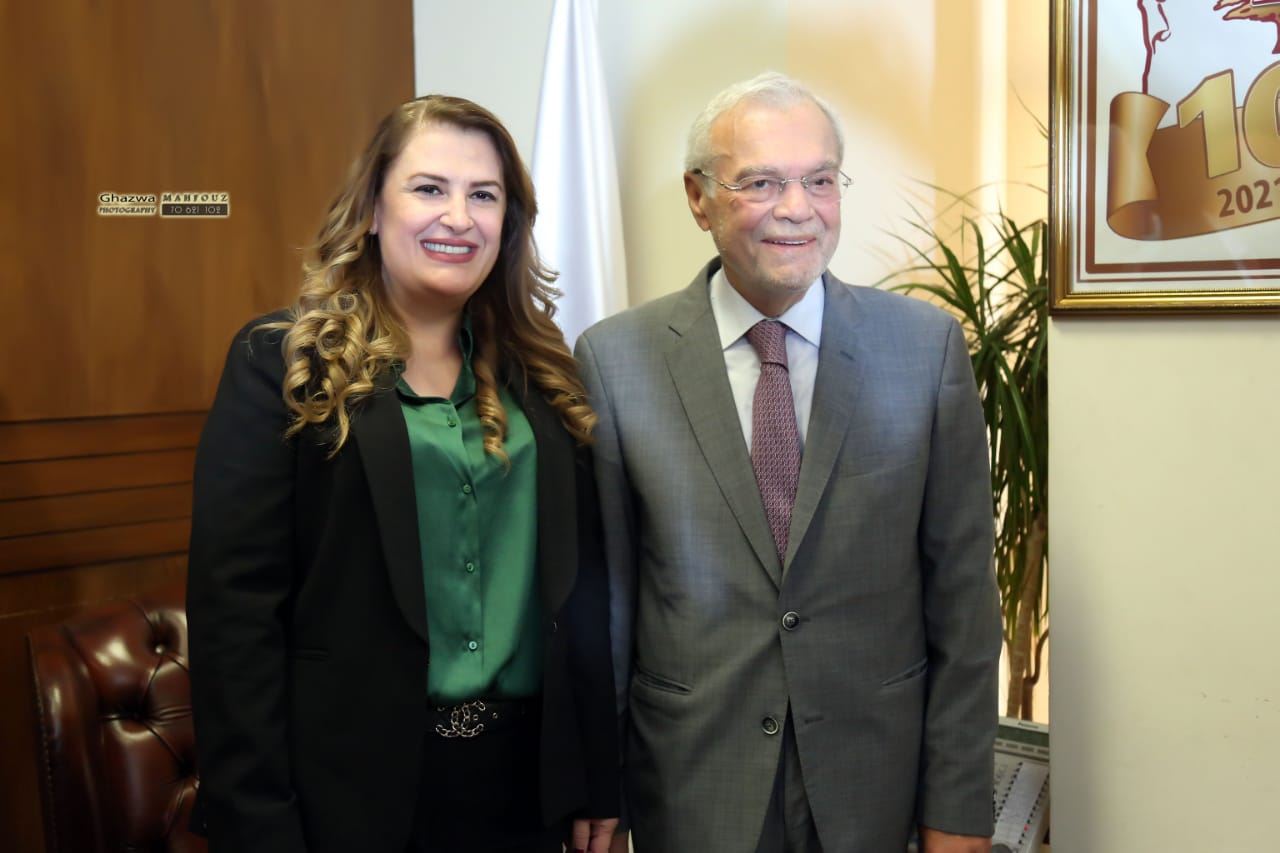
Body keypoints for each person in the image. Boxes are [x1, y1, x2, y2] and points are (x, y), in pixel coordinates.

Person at [575, 72, 1001, 853]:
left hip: (874, 778)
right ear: (699, 197)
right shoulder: (616, 360)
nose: (797, 208)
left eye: (820, 180)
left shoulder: (924, 350)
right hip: (692, 780)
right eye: (762, 182)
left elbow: (964, 602)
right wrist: (601, 789)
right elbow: (609, 604)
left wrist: (959, 805)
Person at [187, 94, 619, 853]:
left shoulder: (544, 375)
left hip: (527, 792)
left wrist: (595, 774)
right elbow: (235, 618)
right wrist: (256, 821)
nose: (458, 217)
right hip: (347, 797)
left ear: (508, 222)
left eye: (483, 195)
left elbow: (581, 594)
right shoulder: (282, 364)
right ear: (372, 210)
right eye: (428, 188)